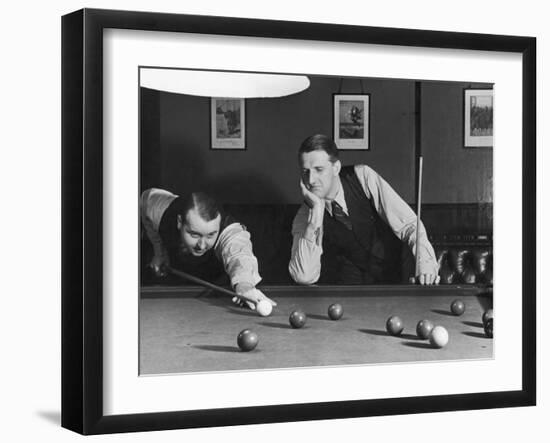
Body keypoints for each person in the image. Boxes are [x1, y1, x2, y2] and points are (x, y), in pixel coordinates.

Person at [288, 134, 440, 286]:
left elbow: (409, 225)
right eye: (305, 172)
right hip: (350, 290)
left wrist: (425, 264)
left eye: (319, 170)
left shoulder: (363, 176)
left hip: (397, 276)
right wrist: (315, 220)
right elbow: (304, 277)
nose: (311, 180)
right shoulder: (306, 214)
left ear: (336, 168)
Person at [140, 188, 276, 310]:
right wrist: (159, 252)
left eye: (211, 235)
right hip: (177, 281)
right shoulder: (159, 209)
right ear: (179, 222)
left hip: (216, 286)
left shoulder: (229, 232)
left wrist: (244, 285)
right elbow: (146, 199)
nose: (202, 245)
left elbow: (239, 254)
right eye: (194, 234)